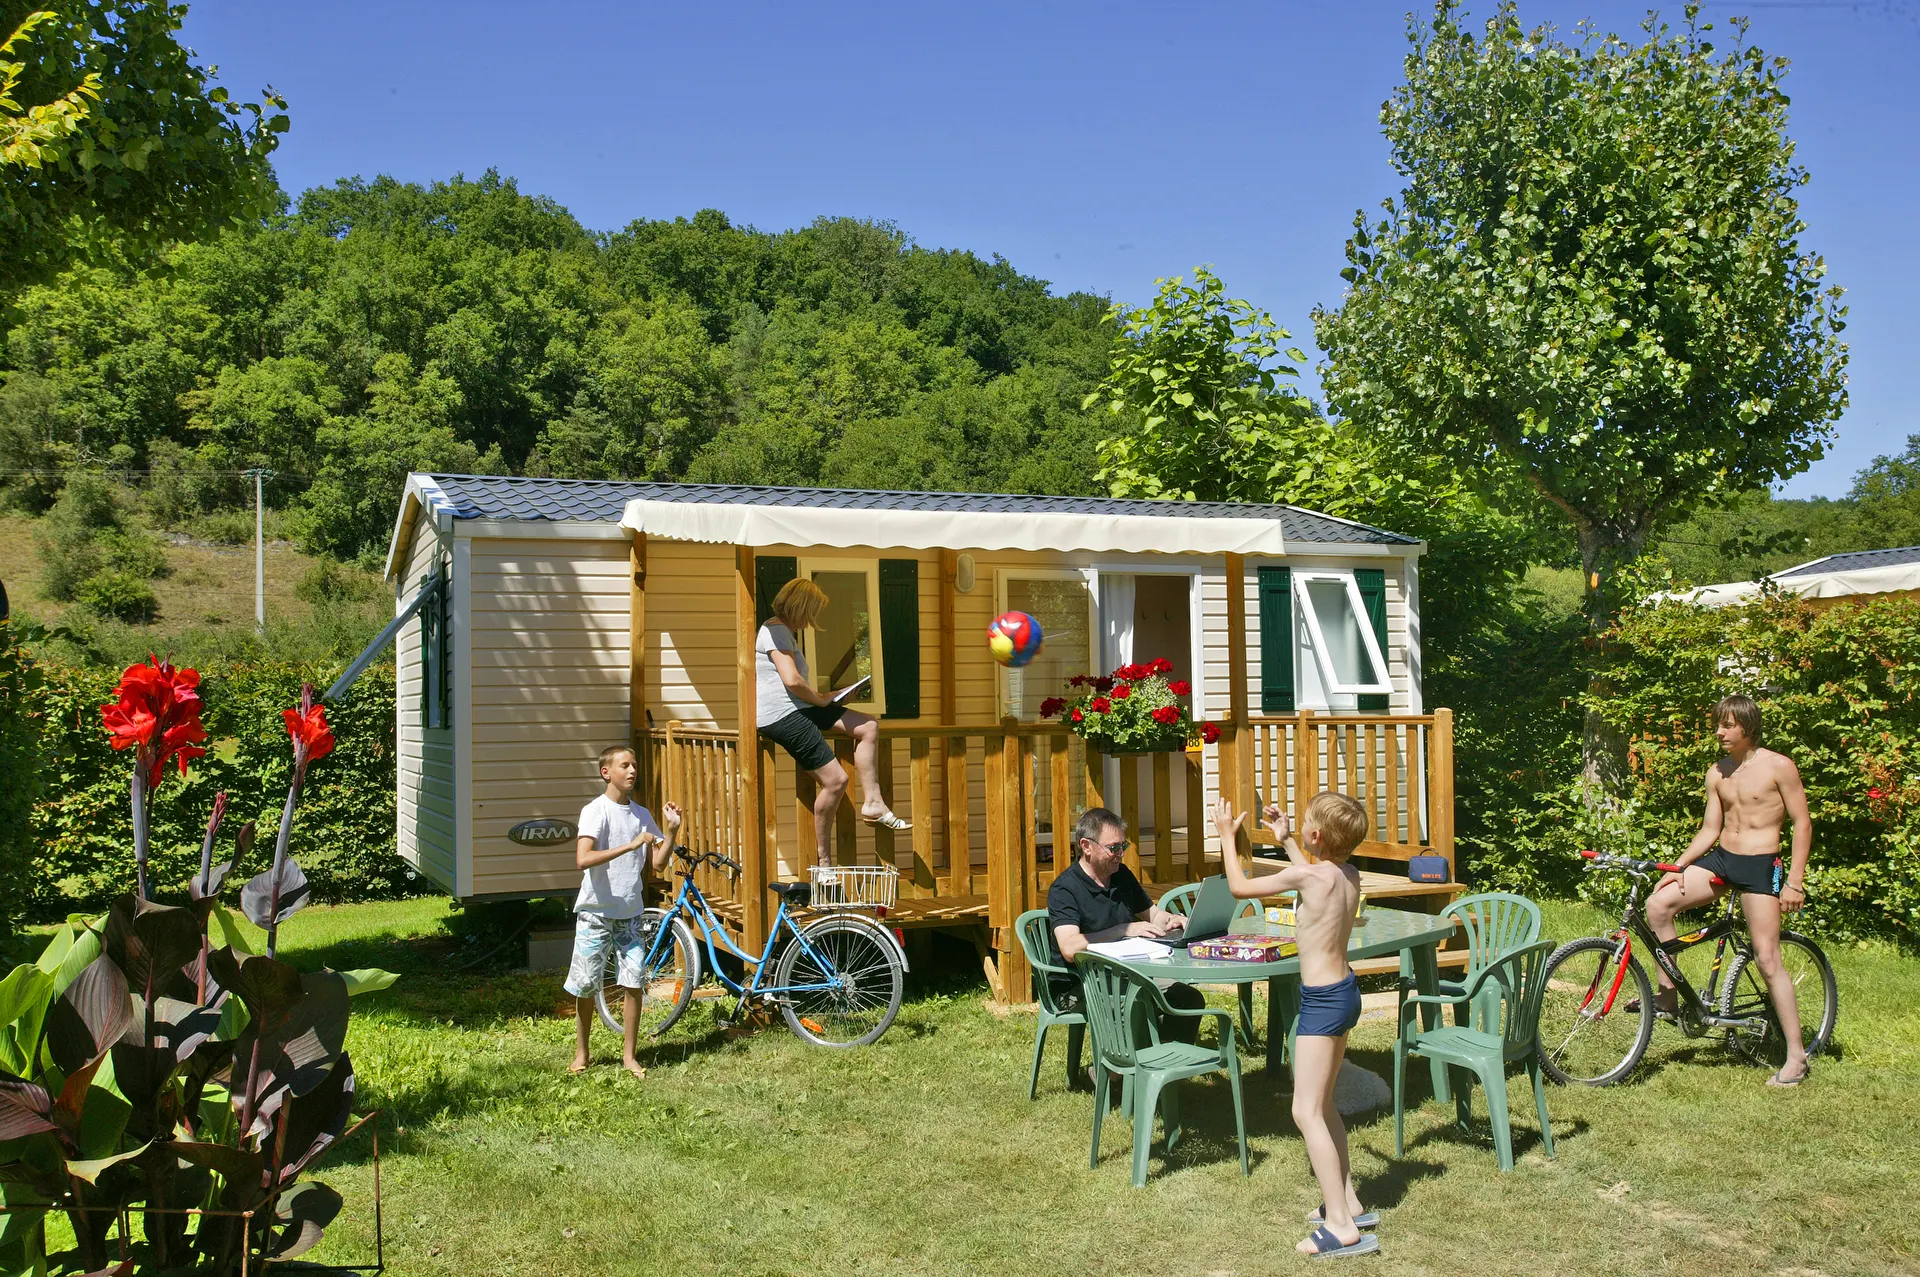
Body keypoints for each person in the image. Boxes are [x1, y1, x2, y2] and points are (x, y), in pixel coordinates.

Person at [1216, 792, 1378, 1260]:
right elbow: (1314, 877)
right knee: (1323, 1105)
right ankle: (1347, 1201)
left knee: (1305, 1111)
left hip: (1323, 1002)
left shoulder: (1310, 874)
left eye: (1305, 824)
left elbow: (1239, 888)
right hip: (1343, 993)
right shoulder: (1348, 874)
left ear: (1317, 836)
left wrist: (1229, 837)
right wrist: (1287, 840)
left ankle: (1342, 1227)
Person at [1644, 693, 1813, 1087]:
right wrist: (1678, 868)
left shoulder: (1778, 766)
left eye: (1728, 725)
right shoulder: (1717, 772)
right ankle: (1670, 998)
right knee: (1658, 905)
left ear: (1748, 727)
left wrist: (1795, 882)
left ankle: (1795, 1057)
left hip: (1760, 866)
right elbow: (1709, 829)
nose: (1719, 732)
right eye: (1718, 724)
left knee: (1768, 959)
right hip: (1722, 859)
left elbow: (1802, 823)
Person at [756, 578, 909, 867]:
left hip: (798, 706)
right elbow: (791, 680)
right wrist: (822, 699)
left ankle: (874, 803)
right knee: (836, 780)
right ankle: (824, 861)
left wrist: (830, 697)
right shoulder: (775, 630)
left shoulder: (783, 631)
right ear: (801, 607)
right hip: (782, 714)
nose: (813, 619)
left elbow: (797, 687)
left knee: (868, 726)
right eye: (812, 611)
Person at [1048, 807, 1205, 1062]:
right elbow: (1069, 947)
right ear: (1086, 846)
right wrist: (1122, 930)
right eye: (1113, 847)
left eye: (1124, 846)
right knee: (1137, 1002)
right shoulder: (1065, 889)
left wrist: (1173, 920)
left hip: (1126, 974)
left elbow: (1152, 914)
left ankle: (1162, 1065)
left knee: (1188, 998)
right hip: (1078, 984)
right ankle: (1113, 1075)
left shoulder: (1120, 875)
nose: (1120, 854)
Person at [564, 744, 682, 1079]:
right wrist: (630, 845)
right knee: (587, 985)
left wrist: (671, 830)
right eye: (624, 765)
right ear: (606, 772)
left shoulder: (642, 815)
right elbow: (582, 860)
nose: (632, 771)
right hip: (595, 913)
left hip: (630, 914)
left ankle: (630, 1056)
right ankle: (582, 1052)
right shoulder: (595, 811)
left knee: (634, 983)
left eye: (634, 765)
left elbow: (659, 864)